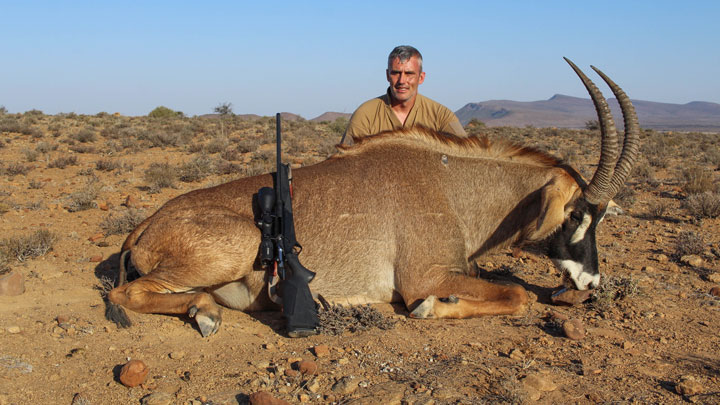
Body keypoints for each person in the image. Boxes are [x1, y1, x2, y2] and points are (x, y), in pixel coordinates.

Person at [340, 45, 466, 144]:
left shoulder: (441, 116)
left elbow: (466, 153)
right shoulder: (365, 114)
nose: (402, 81)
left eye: (409, 74)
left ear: (421, 78)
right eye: (396, 73)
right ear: (387, 75)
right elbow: (344, 161)